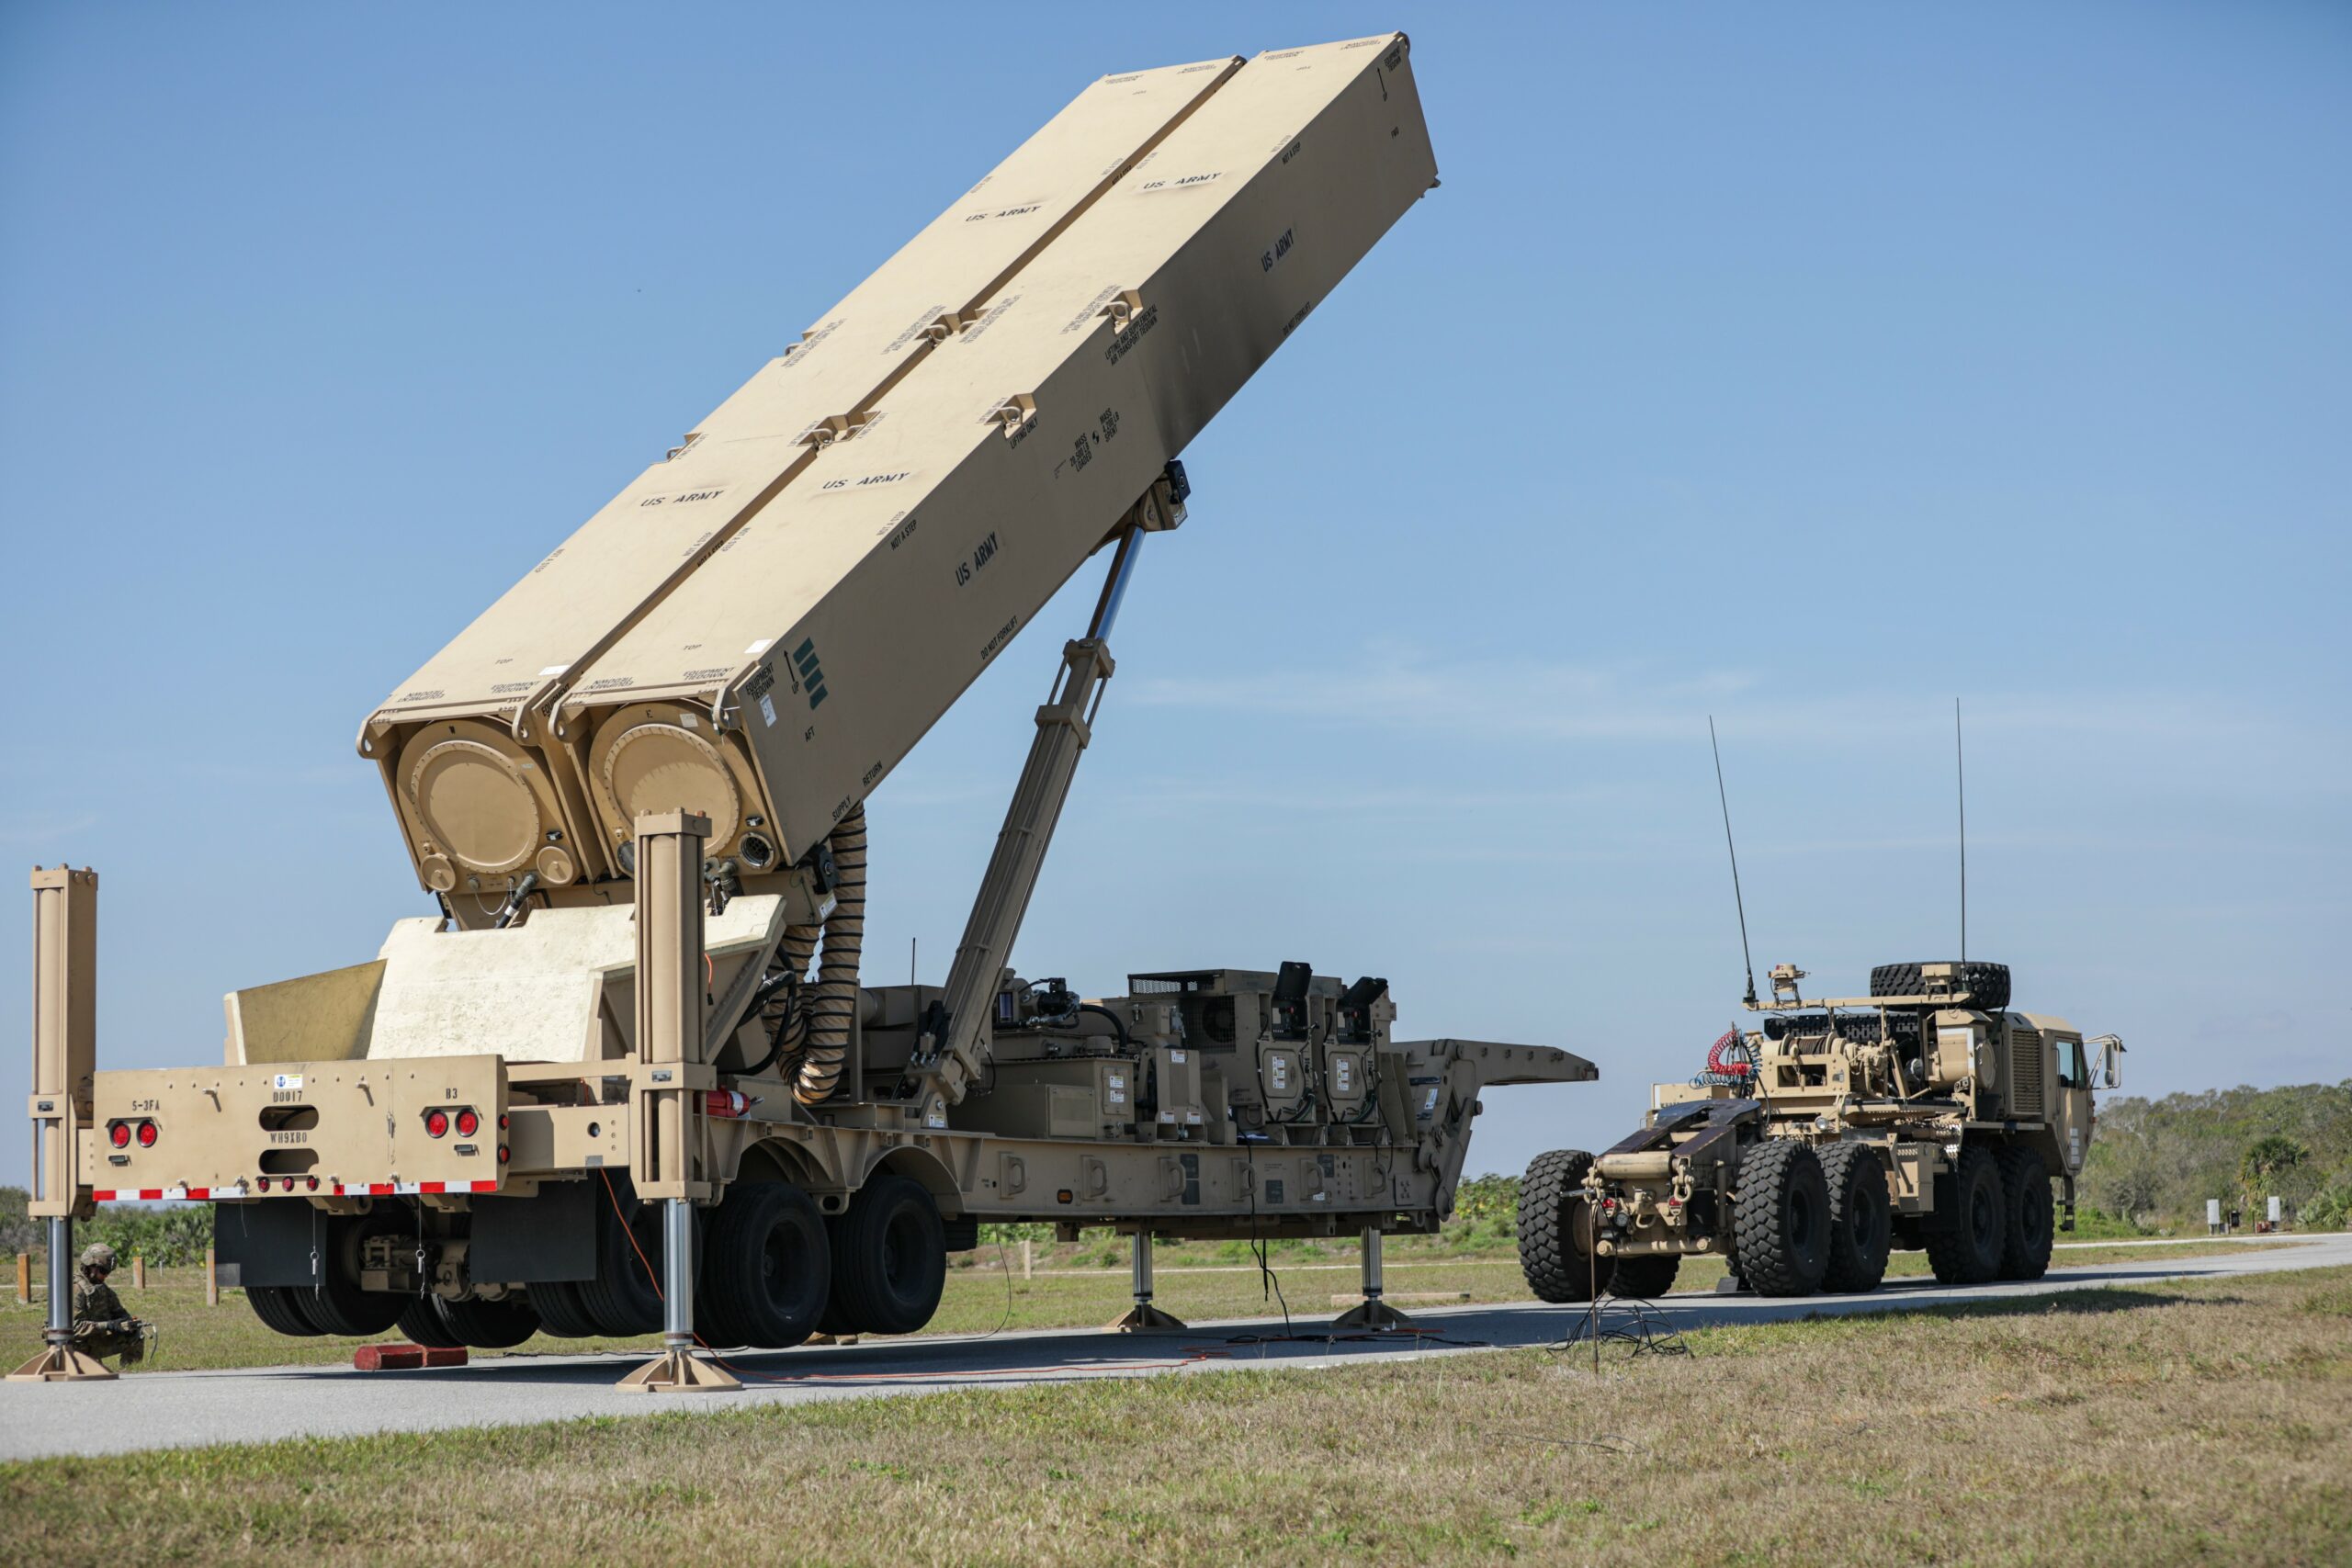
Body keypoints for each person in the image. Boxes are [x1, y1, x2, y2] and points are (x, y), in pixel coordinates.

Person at [71, 1242, 149, 1367]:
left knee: (135, 1334)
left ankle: (131, 1372)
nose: (105, 1276)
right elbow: (75, 1328)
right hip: (73, 1348)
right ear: (90, 1266)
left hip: (93, 1343)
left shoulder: (101, 1288)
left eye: (108, 1272)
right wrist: (109, 1325)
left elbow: (119, 1312)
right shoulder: (75, 1289)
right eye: (103, 1271)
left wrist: (128, 1323)